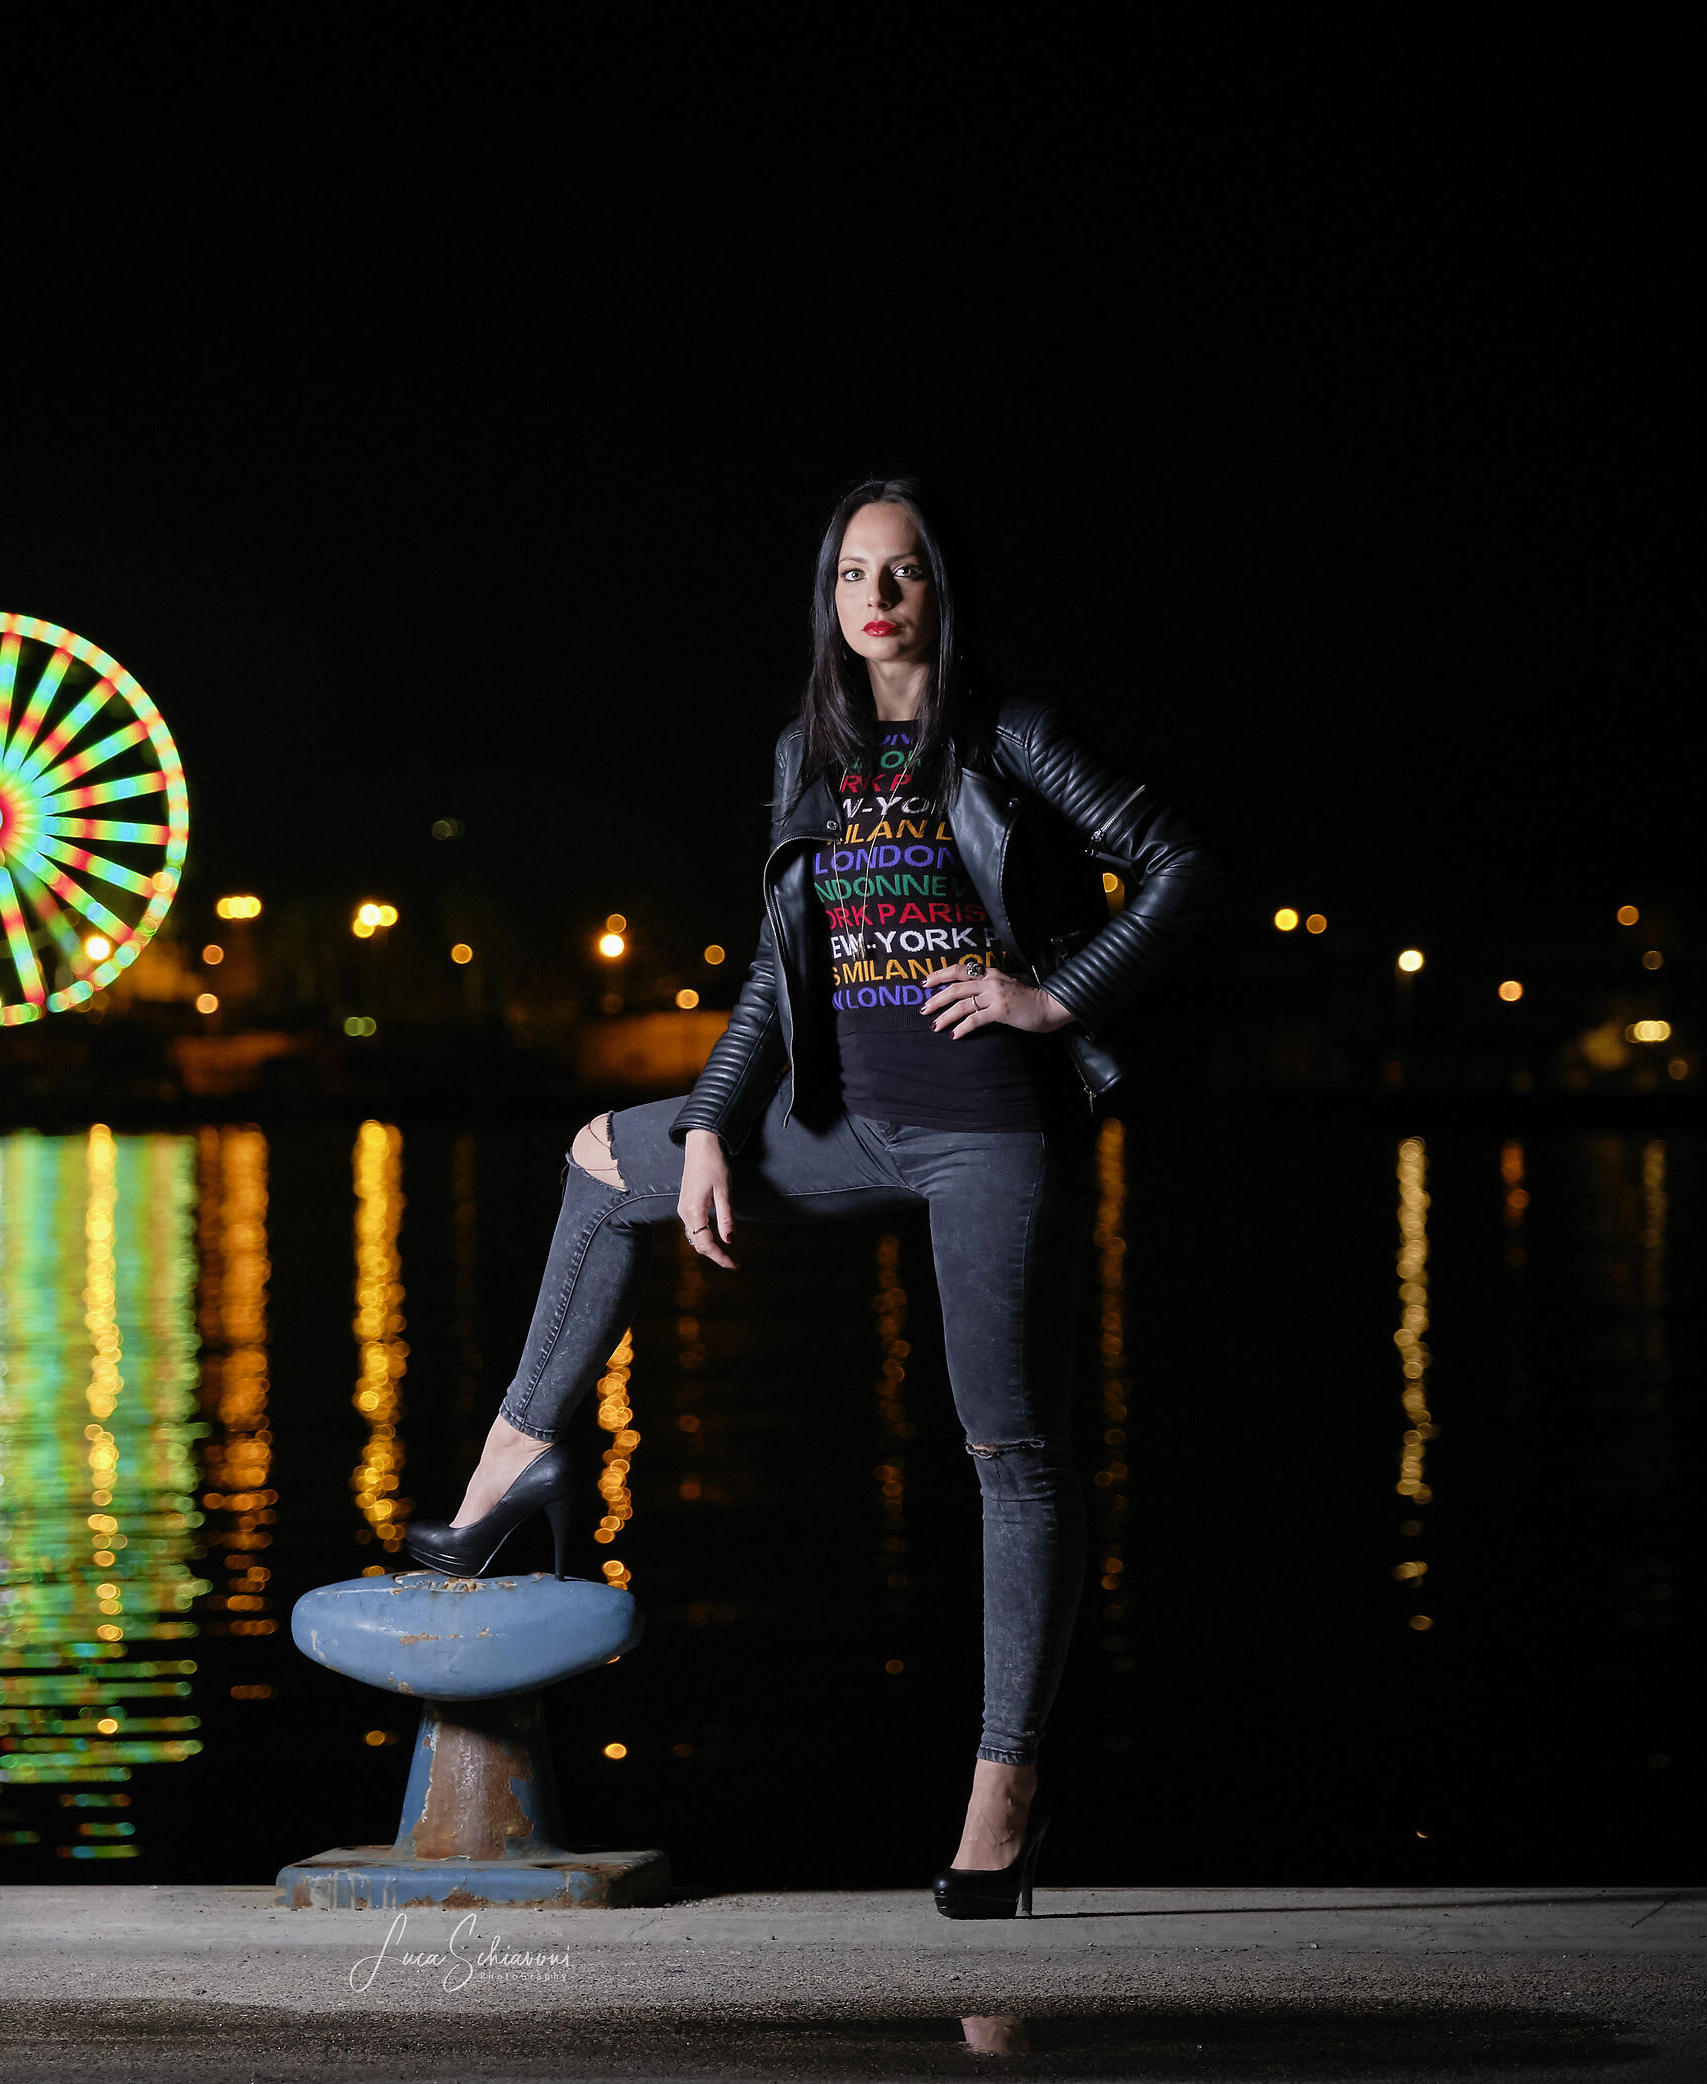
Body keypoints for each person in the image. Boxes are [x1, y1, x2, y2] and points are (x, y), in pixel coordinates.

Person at [404, 477, 1222, 1915]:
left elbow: (1176, 864)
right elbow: (781, 973)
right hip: (840, 1126)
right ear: (830, 601)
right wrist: (717, 1122)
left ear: (940, 593)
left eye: (903, 574)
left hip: (989, 1141)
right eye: (855, 575)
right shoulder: (809, 755)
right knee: (605, 1159)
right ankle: (505, 1476)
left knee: (1010, 1453)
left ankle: (1006, 1794)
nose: (879, 598)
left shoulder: (1011, 735)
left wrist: (1049, 997)